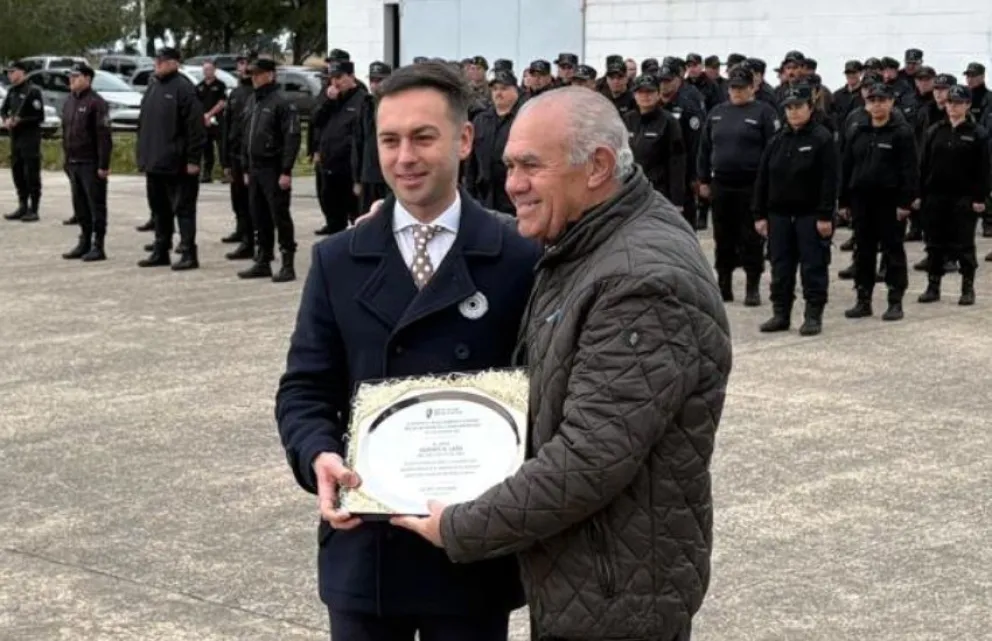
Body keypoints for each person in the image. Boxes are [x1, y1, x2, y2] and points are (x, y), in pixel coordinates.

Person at [393, 87, 732, 641]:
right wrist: (408, 225)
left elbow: (588, 460)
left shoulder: (641, 282)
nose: (513, 184)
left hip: (615, 594)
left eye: (530, 166)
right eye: (508, 166)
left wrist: (458, 526)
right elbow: (515, 229)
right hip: (594, 576)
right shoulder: (597, 236)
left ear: (597, 166)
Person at [275, 62, 539, 641]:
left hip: (470, 553)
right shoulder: (338, 259)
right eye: (390, 140)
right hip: (367, 551)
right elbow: (305, 388)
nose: (404, 158)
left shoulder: (520, 258)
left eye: (424, 137)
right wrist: (316, 453)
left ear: (464, 140)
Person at [753, 84, 838, 335]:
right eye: (789, 108)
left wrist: (825, 215)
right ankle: (781, 314)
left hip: (810, 216)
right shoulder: (777, 140)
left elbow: (829, 180)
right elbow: (763, 179)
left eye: (798, 107)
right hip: (779, 217)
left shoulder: (822, 138)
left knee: (813, 267)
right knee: (781, 267)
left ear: (810, 108)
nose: (793, 112)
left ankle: (813, 315)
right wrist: (759, 214)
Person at [697, 66, 779, 305]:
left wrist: (769, 186)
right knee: (723, 236)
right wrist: (703, 179)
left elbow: (772, 151)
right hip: (722, 185)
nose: (737, 92)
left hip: (751, 185)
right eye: (733, 87)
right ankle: (724, 284)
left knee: (751, 237)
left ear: (752, 87)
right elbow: (704, 149)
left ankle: (752, 286)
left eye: (742, 87)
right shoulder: (717, 113)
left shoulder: (764, 113)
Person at [839, 83, 918, 321]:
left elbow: (910, 171)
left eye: (882, 100)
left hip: (890, 203)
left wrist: (905, 203)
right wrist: (843, 201)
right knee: (863, 252)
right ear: (866, 103)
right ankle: (863, 300)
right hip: (862, 202)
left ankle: (895, 301)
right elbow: (847, 166)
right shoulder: (858, 131)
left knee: (893, 252)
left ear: (891, 103)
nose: (877, 105)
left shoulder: (902, 132)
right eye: (872, 100)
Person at [916, 85, 990, 306]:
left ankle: (967, 288)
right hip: (936, 197)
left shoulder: (977, 134)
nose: (952, 107)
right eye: (949, 103)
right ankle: (933, 286)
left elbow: (984, 169)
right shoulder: (935, 131)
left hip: (964, 198)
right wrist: (919, 194)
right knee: (934, 244)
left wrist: (980, 198)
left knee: (964, 245)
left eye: (958, 103)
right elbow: (923, 165)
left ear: (967, 105)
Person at [136, 47, 206, 271]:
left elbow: (196, 127)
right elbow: (144, 125)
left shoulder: (184, 88)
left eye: (163, 60)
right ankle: (161, 249)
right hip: (155, 161)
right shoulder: (153, 86)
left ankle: (188, 252)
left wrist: (194, 159)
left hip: (178, 163)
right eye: (157, 60)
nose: (158, 63)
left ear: (175, 63)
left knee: (183, 210)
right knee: (159, 209)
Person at [237, 58, 301, 282]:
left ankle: (287, 264)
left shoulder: (281, 102)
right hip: (255, 168)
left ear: (271, 75)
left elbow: (291, 137)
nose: (254, 78)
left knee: (279, 215)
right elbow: (246, 135)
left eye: (258, 74)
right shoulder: (253, 100)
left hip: (273, 168)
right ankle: (262, 259)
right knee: (258, 215)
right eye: (252, 74)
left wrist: (286, 170)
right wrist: (245, 166)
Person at [60, 62, 113, 262]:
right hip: (74, 161)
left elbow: (104, 136)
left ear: (88, 79)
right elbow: (65, 132)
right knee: (80, 205)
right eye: (70, 76)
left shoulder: (96, 103)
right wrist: (65, 159)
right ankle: (84, 241)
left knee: (95, 206)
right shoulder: (69, 101)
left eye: (76, 76)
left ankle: (98, 245)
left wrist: (103, 164)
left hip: (91, 163)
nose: (71, 80)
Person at [314, 59, 367, 235]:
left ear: (351, 77)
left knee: (356, 216)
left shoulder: (361, 100)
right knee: (332, 215)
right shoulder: (331, 99)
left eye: (339, 77)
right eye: (332, 78)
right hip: (329, 166)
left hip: (348, 169)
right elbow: (316, 122)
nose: (335, 82)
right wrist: (328, 102)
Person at [623, 73, 686, 208]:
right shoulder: (627, 120)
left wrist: (677, 200)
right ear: (634, 95)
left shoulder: (669, 122)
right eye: (641, 92)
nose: (646, 96)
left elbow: (677, 162)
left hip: (657, 192)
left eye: (650, 92)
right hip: (630, 191)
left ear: (658, 94)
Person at [465, 68, 522, 214]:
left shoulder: (524, 119)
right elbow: (471, 161)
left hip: (514, 197)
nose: (498, 93)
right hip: (484, 196)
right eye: (495, 89)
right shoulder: (481, 120)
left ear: (516, 90)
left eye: (504, 88)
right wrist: (469, 192)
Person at [219, 54, 256, 260]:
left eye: (245, 64)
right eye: (240, 64)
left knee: (251, 200)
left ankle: (252, 239)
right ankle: (242, 231)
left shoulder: (256, 94)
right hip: (234, 154)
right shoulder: (235, 93)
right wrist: (224, 158)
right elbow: (227, 126)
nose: (242, 68)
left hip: (249, 156)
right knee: (238, 198)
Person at [1, 61, 45, 222]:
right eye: (8, 73)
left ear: (21, 72)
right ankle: (22, 205)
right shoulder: (12, 91)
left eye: (12, 72)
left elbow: (39, 117)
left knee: (30, 173)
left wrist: (21, 120)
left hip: (30, 138)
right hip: (15, 138)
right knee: (17, 172)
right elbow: (3, 110)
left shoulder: (32, 91)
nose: (9, 75)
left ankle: (34, 208)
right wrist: (6, 120)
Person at [352, 61, 393, 213]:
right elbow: (358, 142)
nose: (375, 85)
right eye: (372, 80)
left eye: (379, 80)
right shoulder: (366, 105)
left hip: (389, 174)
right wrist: (357, 178)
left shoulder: (396, 105)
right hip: (368, 174)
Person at [195, 61, 227, 183]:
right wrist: (203, 117)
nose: (207, 71)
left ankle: (226, 172)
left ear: (214, 70)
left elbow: (222, 103)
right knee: (206, 149)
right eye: (205, 69)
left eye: (209, 69)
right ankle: (207, 174)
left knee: (222, 148)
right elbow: (196, 104)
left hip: (217, 122)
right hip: (204, 122)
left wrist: (209, 115)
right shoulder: (199, 86)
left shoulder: (220, 85)